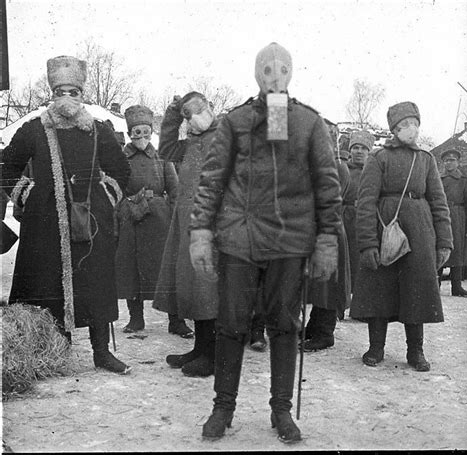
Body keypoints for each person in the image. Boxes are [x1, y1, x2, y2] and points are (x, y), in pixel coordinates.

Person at [189, 42, 342, 443]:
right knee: (231, 325)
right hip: (240, 239)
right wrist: (201, 233)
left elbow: (327, 184)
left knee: (286, 325)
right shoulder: (236, 121)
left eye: (283, 69)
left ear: (292, 73)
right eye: (267, 70)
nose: (275, 76)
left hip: (290, 241)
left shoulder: (310, 124)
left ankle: (281, 410)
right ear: (256, 75)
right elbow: (211, 181)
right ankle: (223, 407)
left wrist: (327, 238)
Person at [1, 55, 132, 374]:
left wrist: (105, 196)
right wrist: (28, 195)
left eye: (73, 91)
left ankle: (102, 353)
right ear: (52, 93)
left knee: (95, 282)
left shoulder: (99, 129)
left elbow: (123, 172)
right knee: (48, 284)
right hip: (44, 224)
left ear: (82, 93)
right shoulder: (33, 129)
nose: (67, 98)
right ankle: (55, 350)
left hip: (91, 223)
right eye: (61, 91)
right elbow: (5, 169)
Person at [350, 101, 453, 372]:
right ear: (394, 129)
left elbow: (439, 203)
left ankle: (415, 351)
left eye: (415, 123)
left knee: (417, 289)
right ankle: (376, 347)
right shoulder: (379, 157)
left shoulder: (426, 159)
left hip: (420, 232)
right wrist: (367, 243)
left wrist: (444, 241)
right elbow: (366, 201)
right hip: (384, 227)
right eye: (404, 124)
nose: (411, 128)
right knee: (379, 287)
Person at [153, 92, 219, 376]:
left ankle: (214, 357)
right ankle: (201, 349)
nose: (195, 117)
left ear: (211, 108)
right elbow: (165, 150)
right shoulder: (191, 142)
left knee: (210, 289)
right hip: (188, 225)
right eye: (188, 114)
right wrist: (171, 115)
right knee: (194, 287)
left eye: (199, 109)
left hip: (214, 226)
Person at [115, 105, 180, 334]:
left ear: (151, 132)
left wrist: (173, 218)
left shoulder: (163, 156)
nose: (141, 137)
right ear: (129, 133)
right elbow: (115, 189)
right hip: (131, 221)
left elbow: (174, 190)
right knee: (132, 271)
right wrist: (128, 205)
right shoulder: (121, 158)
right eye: (136, 132)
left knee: (167, 271)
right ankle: (136, 319)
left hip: (160, 222)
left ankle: (176, 321)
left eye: (145, 131)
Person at [304, 122, 351, 351]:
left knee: (328, 284)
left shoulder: (338, 168)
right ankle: (315, 325)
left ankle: (325, 332)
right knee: (318, 282)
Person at [437, 149, 467, 297]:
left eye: (452, 160)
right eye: (446, 160)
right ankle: (435, 286)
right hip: (441, 214)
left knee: (457, 249)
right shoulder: (438, 178)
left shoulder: (464, 179)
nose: (449, 163)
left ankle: (456, 287)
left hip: (458, 215)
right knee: (439, 247)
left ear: (458, 162)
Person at [343, 130, 374, 292]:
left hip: (365, 220)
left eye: (363, 148)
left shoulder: (373, 171)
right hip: (345, 218)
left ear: (369, 151)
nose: (359, 152)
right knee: (345, 259)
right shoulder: (343, 169)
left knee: (361, 260)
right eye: (356, 148)